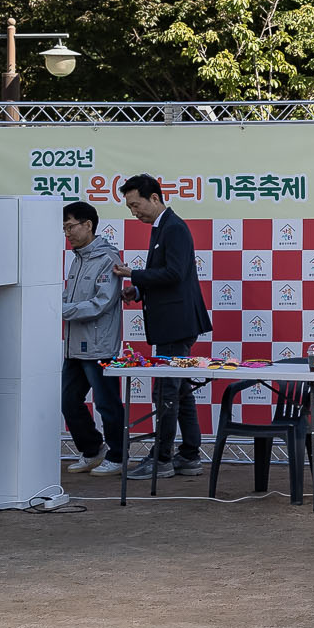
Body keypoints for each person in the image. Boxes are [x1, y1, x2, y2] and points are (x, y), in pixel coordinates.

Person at [115, 174, 211, 477]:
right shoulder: (163, 227)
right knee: (179, 389)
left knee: (166, 392)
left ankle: (162, 457)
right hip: (173, 322)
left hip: (176, 324)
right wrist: (139, 289)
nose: (134, 212)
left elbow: (174, 274)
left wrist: (134, 274)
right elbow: (165, 275)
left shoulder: (174, 228)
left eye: (136, 205)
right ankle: (189, 454)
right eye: (130, 208)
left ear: (154, 197)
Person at [60, 201, 126, 476]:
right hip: (74, 344)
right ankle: (92, 449)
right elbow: (70, 297)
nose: (68, 233)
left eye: (71, 226)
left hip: (98, 345)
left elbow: (101, 303)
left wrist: (59, 311)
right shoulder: (78, 258)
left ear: (88, 225)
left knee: (107, 403)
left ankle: (118, 455)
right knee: (67, 400)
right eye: (64, 228)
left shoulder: (108, 259)